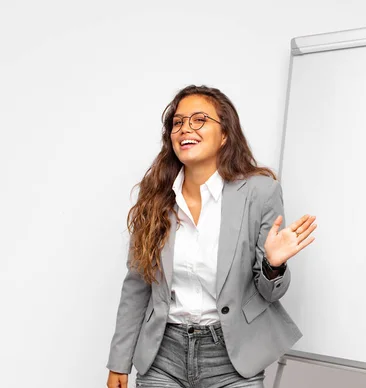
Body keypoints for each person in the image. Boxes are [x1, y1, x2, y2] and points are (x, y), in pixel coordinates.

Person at [106, 84, 317, 388]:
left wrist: (273, 264)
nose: (185, 129)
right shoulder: (156, 197)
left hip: (232, 359)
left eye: (199, 120)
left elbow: (269, 293)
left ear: (225, 135)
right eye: (178, 122)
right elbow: (137, 287)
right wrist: (119, 363)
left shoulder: (260, 193)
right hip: (163, 356)